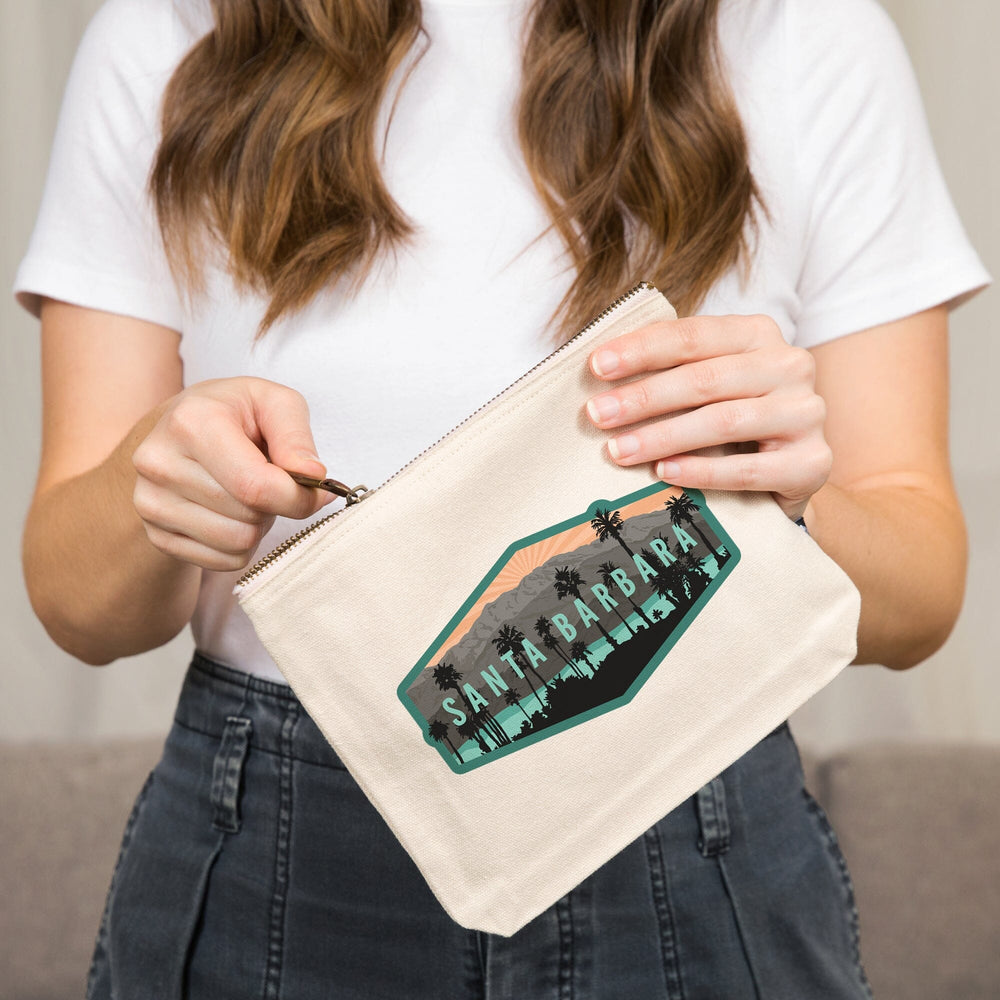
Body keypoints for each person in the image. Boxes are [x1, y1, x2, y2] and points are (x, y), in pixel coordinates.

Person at [14, 0, 989, 996]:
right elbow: (78, 605)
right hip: (283, 828)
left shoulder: (805, 35)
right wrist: (161, 479)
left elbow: (918, 595)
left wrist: (788, 505)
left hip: (689, 804)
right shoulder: (168, 33)